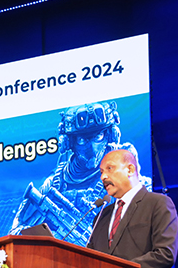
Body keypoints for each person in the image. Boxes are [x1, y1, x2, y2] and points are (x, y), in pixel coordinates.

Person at [11, 101, 152, 245]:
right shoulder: (54, 184)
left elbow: (145, 229)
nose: (92, 148)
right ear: (69, 142)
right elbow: (16, 231)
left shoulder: (128, 177)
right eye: (82, 140)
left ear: (110, 135)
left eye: (98, 137)